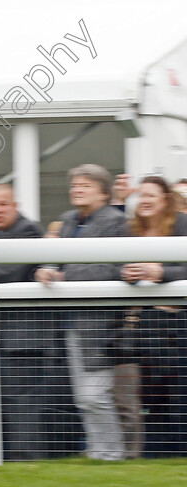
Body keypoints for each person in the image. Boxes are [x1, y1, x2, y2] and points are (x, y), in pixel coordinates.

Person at [34, 163, 129, 461]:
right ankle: (98, 453)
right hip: (70, 320)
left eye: (85, 185)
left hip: (101, 323)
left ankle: (112, 454)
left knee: (94, 395)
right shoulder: (66, 220)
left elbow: (116, 268)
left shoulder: (117, 222)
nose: (77, 189)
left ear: (103, 192)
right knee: (83, 398)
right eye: (75, 184)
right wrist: (46, 270)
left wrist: (67, 277)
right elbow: (56, 260)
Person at [117, 176, 187, 458]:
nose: (144, 201)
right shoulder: (129, 230)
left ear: (166, 201)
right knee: (146, 395)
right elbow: (114, 265)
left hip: (178, 324)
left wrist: (162, 274)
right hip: (142, 326)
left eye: (151, 196)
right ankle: (153, 455)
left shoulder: (182, 224)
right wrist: (126, 274)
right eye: (141, 195)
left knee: (179, 393)